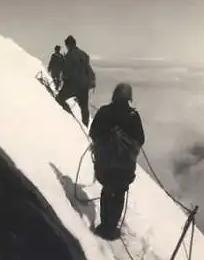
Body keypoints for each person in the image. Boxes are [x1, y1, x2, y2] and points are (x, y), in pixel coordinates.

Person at [88, 83, 145, 240]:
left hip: (105, 163)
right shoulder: (133, 116)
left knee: (107, 191)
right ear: (129, 98)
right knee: (119, 194)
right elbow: (140, 139)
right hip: (125, 166)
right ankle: (112, 227)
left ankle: (104, 225)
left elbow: (93, 133)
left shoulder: (105, 112)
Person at [55, 35, 96, 127]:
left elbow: (67, 73)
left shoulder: (69, 56)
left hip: (72, 85)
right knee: (84, 108)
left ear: (68, 45)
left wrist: (63, 79)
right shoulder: (84, 54)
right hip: (84, 86)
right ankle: (85, 127)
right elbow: (87, 69)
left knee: (59, 99)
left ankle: (69, 117)